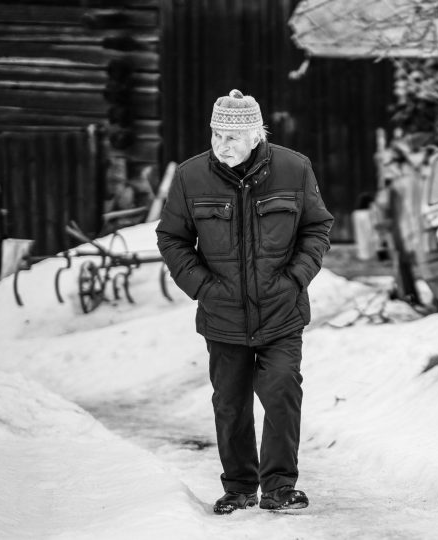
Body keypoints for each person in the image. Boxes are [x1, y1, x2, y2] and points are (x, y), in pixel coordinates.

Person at [156, 89, 333, 514]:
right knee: (230, 403)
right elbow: (172, 238)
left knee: (281, 391)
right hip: (223, 314)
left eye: (232, 137)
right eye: (217, 134)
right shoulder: (191, 176)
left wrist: (296, 278)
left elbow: (317, 228)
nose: (222, 145)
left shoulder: (294, 168)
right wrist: (203, 287)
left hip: (281, 311)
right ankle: (238, 487)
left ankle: (279, 487)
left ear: (257, 135)